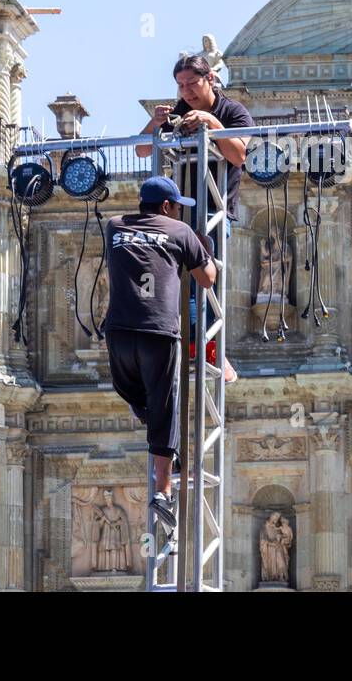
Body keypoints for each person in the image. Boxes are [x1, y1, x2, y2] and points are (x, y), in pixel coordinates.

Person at [103, 175, 235, 539]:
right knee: (165, 409)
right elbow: (207, 278)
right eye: (177, 206)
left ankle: (164, 445)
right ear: (166, 207)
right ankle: (163, 488)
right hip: (157, 332)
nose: (179, 212)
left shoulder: (113, 226)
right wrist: (203, 248)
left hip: (117, 332)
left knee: (135, 394)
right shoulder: (179, 232)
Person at [135, 53, 254, 229]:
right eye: (181, 85)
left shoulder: (233, 111)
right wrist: (156, 122)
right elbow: (141, 151)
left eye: (192, 83)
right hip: (177, 211)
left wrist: (211, 121)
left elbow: (238, 157)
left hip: (214, 210)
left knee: (206, 256)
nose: (186, 91)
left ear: (210, 78)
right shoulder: (178, 112)